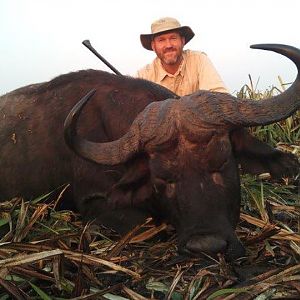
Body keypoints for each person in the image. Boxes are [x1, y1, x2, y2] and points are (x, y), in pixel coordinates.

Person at [137, 17, 229, 96]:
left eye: (173, 38)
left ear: (182, 41)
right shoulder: (143, 76)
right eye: (161, 40)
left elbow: (220, 98)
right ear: (153, 46)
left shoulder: (199, 60)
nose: (168, 45)